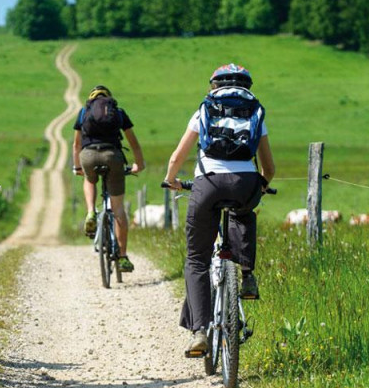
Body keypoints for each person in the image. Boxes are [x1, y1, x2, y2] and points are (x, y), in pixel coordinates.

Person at [162, 63, 275, 356]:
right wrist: (261, 186)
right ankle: (246, 274)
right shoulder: (254, 112)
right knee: (243, 212)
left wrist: (171, 180)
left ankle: (199, 331)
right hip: (245, 183)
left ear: (214, 86)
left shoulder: (204, 110)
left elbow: (177, 157)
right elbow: (269, 168)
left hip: (208, 184)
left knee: (197, 259)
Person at [72, 85, 145, 273]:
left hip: (88, 156)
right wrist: (139, 164)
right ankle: (122, 257)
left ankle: (90, 212)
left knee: (89, 179)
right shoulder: (118, 113)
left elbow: (76, 144)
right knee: (118, 209)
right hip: (112, 157)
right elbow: (133, 142)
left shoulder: (83, 112)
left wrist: (78, 167)